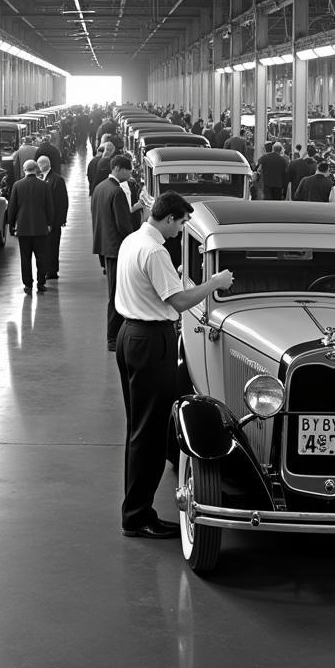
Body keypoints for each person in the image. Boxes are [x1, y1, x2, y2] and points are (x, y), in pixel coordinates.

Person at [115, 191, 235, 538]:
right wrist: (214, 284)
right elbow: (179, 301)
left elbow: (158, 287)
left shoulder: (134, 240)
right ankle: (138, 516)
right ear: (169, 219)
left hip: (130, 335)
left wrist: (183, 271)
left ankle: (134, 510)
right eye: (182, 223)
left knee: (139, 428)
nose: (182, 230)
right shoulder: (154, 251)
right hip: (151, 341)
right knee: (150, 433)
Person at [91, 154, 137, 351]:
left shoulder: (100, 188)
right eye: (128, 170)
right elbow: (123, 224)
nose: (130, 173)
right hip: (117, 249)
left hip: (105, 246)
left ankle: (114, 336)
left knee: (114, 291)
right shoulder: (117, 191)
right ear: (118, 168)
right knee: (117, 293)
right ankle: (113, 338)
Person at [8, 159, 54, 294]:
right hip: (41, 228)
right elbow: (49, 207)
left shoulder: (17, 185)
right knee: (41, 257)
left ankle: (28, 285)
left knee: (25, 258)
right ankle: (41, 283)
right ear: (36, 169)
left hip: (23, 228)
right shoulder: (44, 185)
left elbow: (12, 207)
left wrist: (11, 225)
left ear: (24, 169)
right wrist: (50, 223)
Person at [37, 155, 68, 281]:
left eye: (39, 164)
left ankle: (52, 271)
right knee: (45, 246)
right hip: (44, 221)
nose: (38, 167)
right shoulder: (42, 178)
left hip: (54, 220)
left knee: (53, 246)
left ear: (44, 164)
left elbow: (63, 201)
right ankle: (46, 269)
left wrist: (61, 219)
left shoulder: (57, 180)